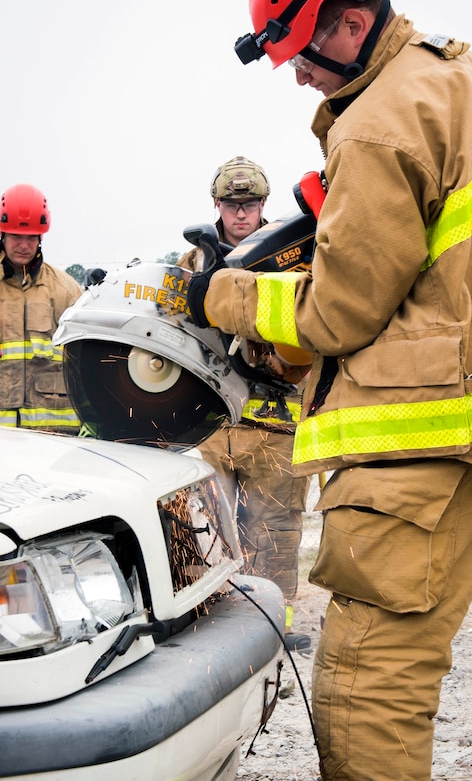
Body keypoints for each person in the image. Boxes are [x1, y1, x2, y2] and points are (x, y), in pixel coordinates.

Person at [185, 0, 472, 778]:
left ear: (348, 23)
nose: (297, 73)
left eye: (301, 52)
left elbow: (337, 314)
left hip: (436, 438)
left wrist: (222, 293)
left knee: (371, 674)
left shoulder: (376, 122)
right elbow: (468, 250)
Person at [179, 156, 313, 654]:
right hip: (212, 424)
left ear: (264, 205)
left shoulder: (292, 254)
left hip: (275, 421)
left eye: (250, 204)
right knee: (200, 523)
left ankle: (272, 623)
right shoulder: (193, 262)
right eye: (233, 205)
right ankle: (202, 622)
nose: (242, 214)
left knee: (275, 527)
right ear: (217, 205)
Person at [0, 183, 82, 432]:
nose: (24, 245)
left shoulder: (67, 291)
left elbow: (88, 364)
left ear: (41, 237)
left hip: (53, 437)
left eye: (31, 238)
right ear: (2, 233)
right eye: (16, 236)